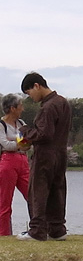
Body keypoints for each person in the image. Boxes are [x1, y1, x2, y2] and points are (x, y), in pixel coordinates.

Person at [16, 72, 72, 241]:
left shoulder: (47, 107)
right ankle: (57, 229)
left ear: (37, 86)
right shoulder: (63, 102)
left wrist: (25, 131)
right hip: (61, 153)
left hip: (45, 154)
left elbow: (44, 134)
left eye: (29, 92)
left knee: (38, 191)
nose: (30, 97)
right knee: (57, 190)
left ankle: (37, 230)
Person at [1, 94, 31, 236]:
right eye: (20, 106)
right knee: (5, 200)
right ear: (12, 108)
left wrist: (19, 145)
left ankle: (38, 228)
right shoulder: (1, 125)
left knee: (32, 195)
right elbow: (6, 145)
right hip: (7, 162)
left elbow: (26, 144)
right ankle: (4, 234)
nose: (22, 109)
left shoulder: (21, 123)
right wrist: (20, 144)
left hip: (23, 161)